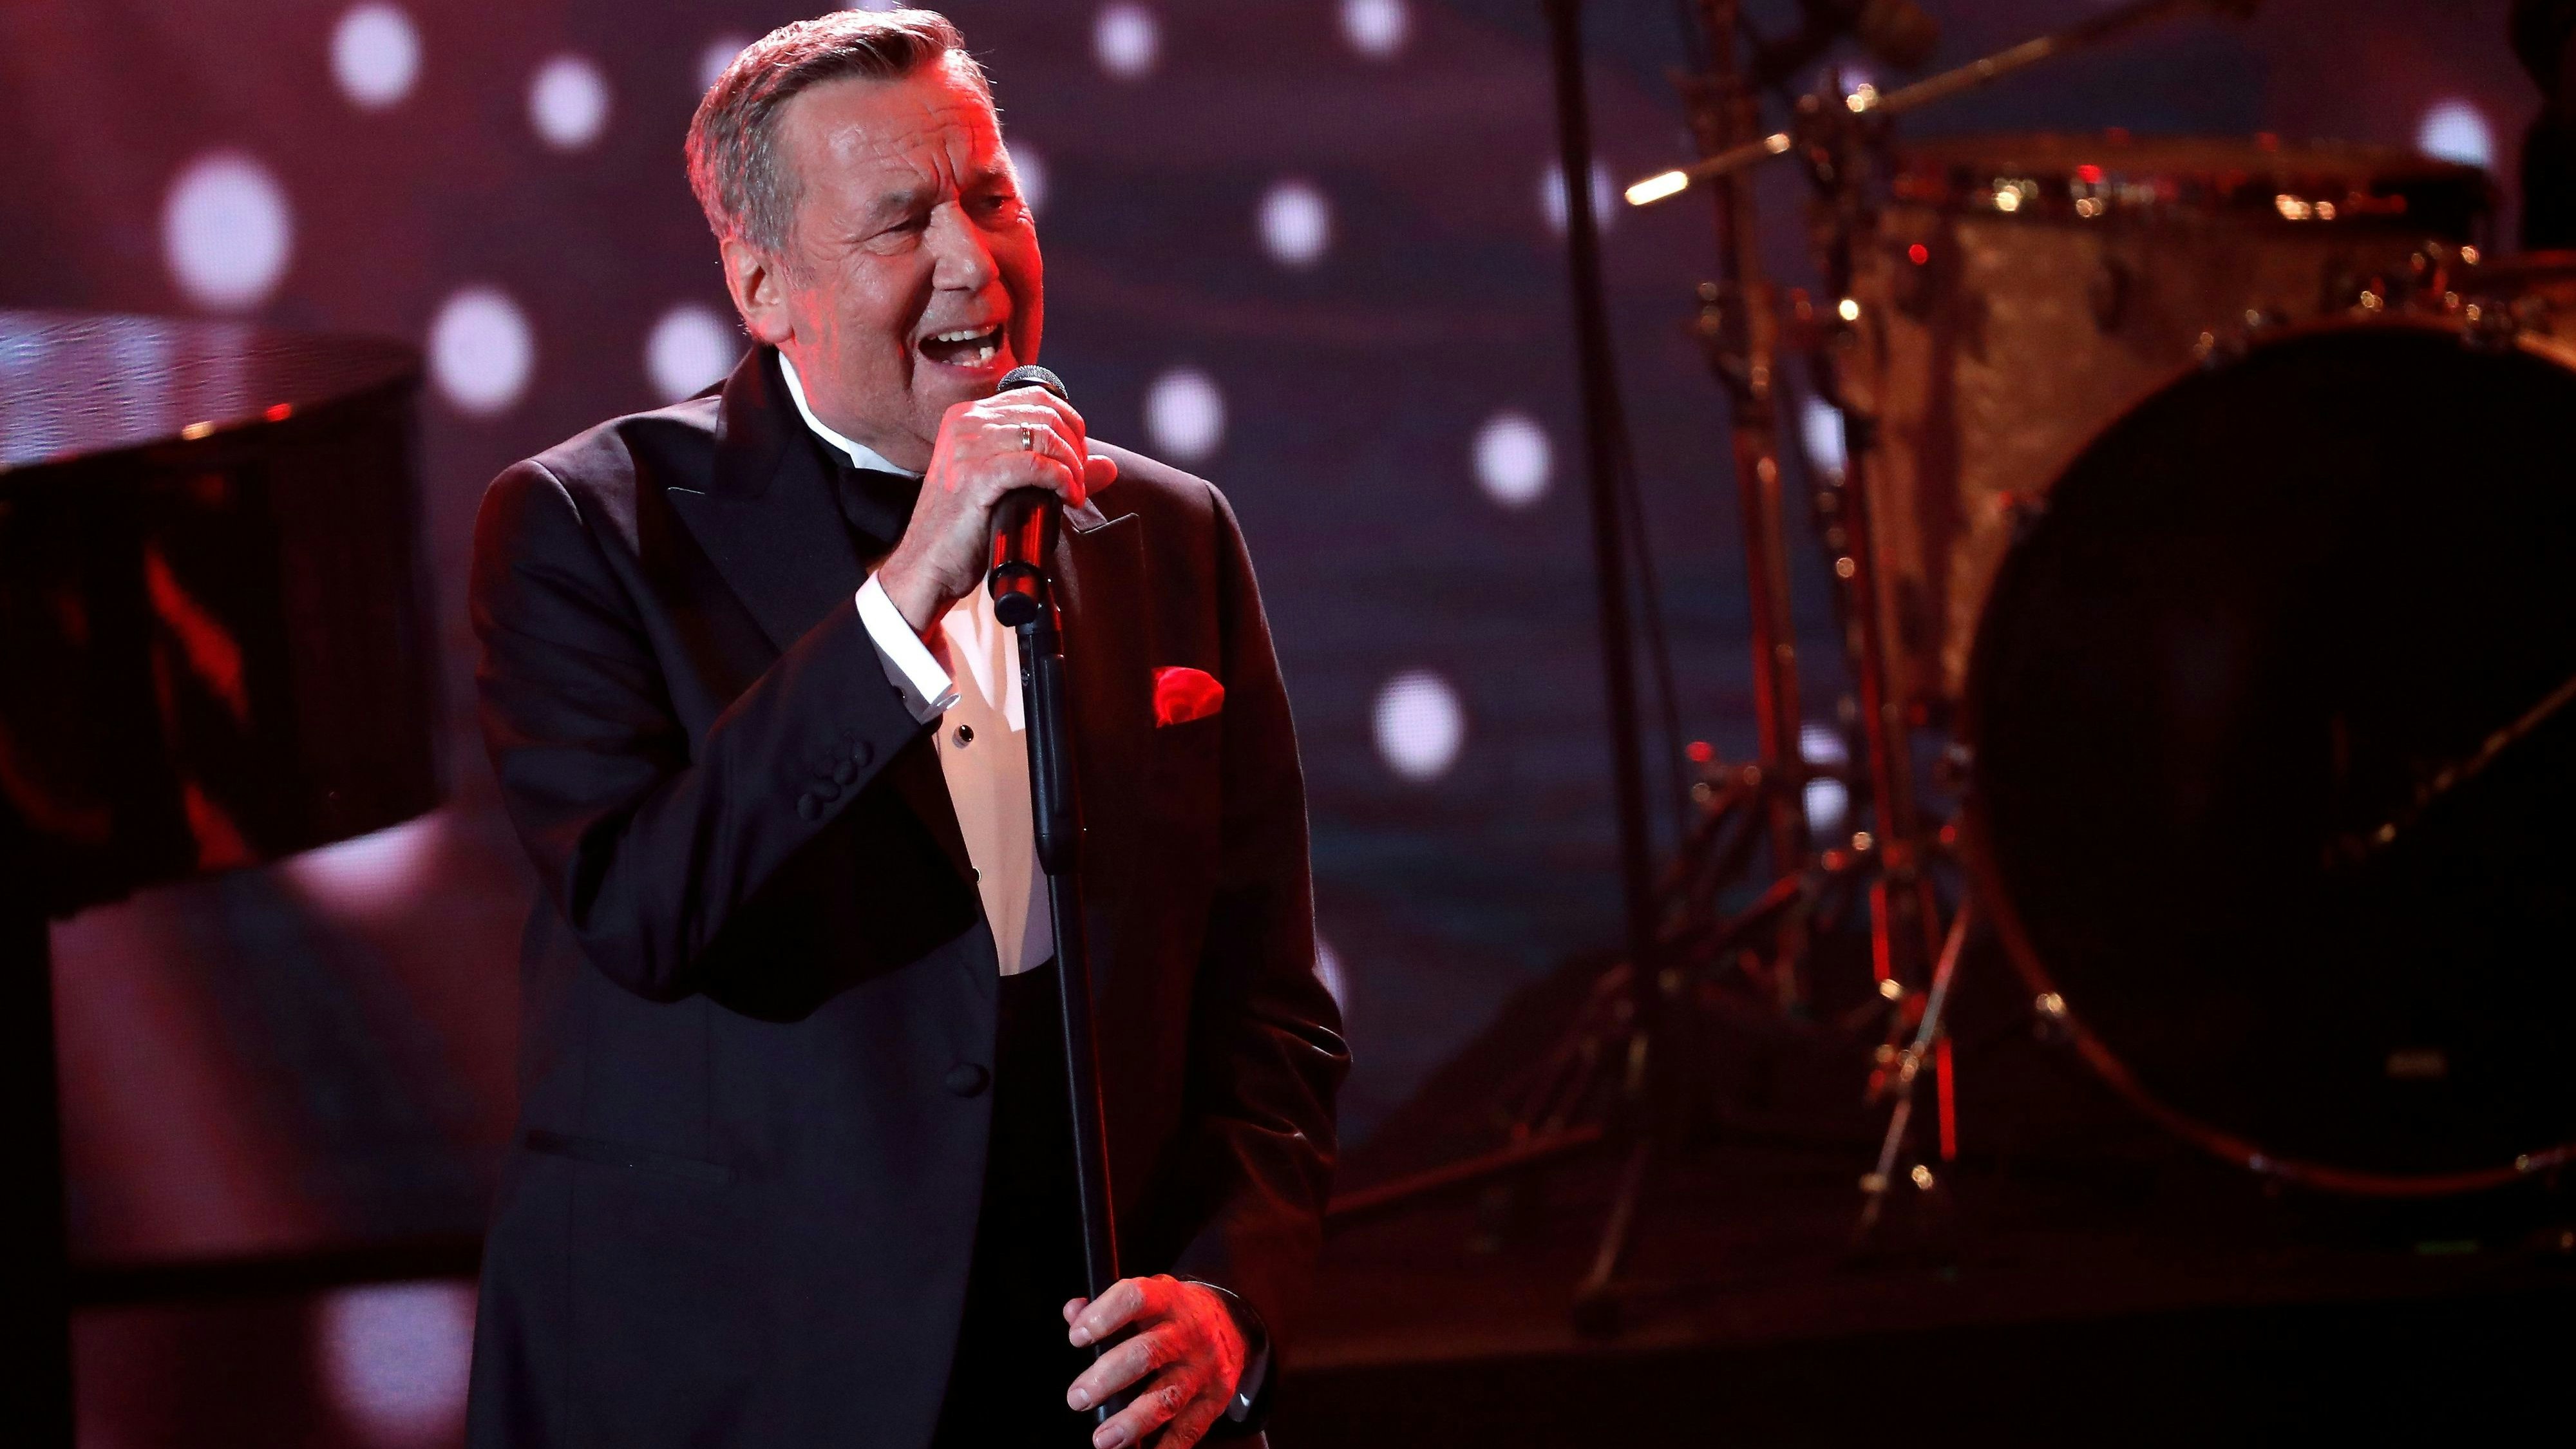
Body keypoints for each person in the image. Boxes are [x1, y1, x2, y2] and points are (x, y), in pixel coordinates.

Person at [460, 10, 1347, 1447]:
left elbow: (1265, 1002)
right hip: (736, 1375)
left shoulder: (1165, 531)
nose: (971, 262)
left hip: (1080, 1374)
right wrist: (908, 589)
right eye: (899, 223)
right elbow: (649, 910)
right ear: (762, 284)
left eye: (989, 197)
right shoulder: (586, 528)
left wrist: (1228, 1289)